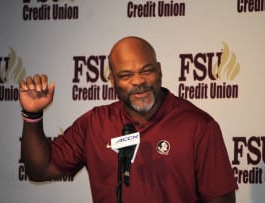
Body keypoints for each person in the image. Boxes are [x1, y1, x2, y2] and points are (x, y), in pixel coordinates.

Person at [19, 36, 238, 203]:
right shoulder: (95, 123)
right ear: (112, 81)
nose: (138, 81)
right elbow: (41, 169)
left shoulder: (198, 126)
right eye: (125, 75)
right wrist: (32, 116)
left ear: (160, 71)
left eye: (147, 71)